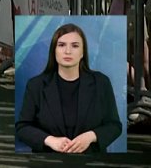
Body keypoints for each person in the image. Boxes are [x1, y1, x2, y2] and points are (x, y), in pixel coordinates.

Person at [15, 23, 123, 154]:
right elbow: (22, 127)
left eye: (75, 46)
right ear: (54, 51)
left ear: (83, 52)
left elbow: (114, 125)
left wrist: (91, 136)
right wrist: (50, 140)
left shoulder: (101, 83)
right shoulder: (36, 85)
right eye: (61, 45)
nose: (67, 51)